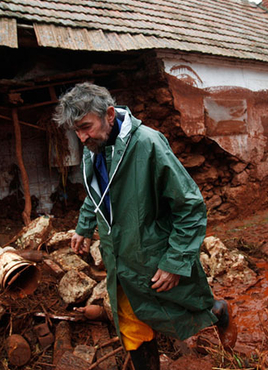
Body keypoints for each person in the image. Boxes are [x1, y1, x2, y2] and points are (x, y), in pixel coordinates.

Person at [53, 82, 237, 370]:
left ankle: (219, 311)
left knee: (179, 308)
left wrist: (175, 262)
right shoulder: (94, 148)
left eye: (86, 126)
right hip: (118, 257)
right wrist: (84, 226)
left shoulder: (148, 144)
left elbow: (189, 206)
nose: (81, 136)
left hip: (153, 254)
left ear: (110, 115)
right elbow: (96, 193)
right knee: (132, 327)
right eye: (76, 130)